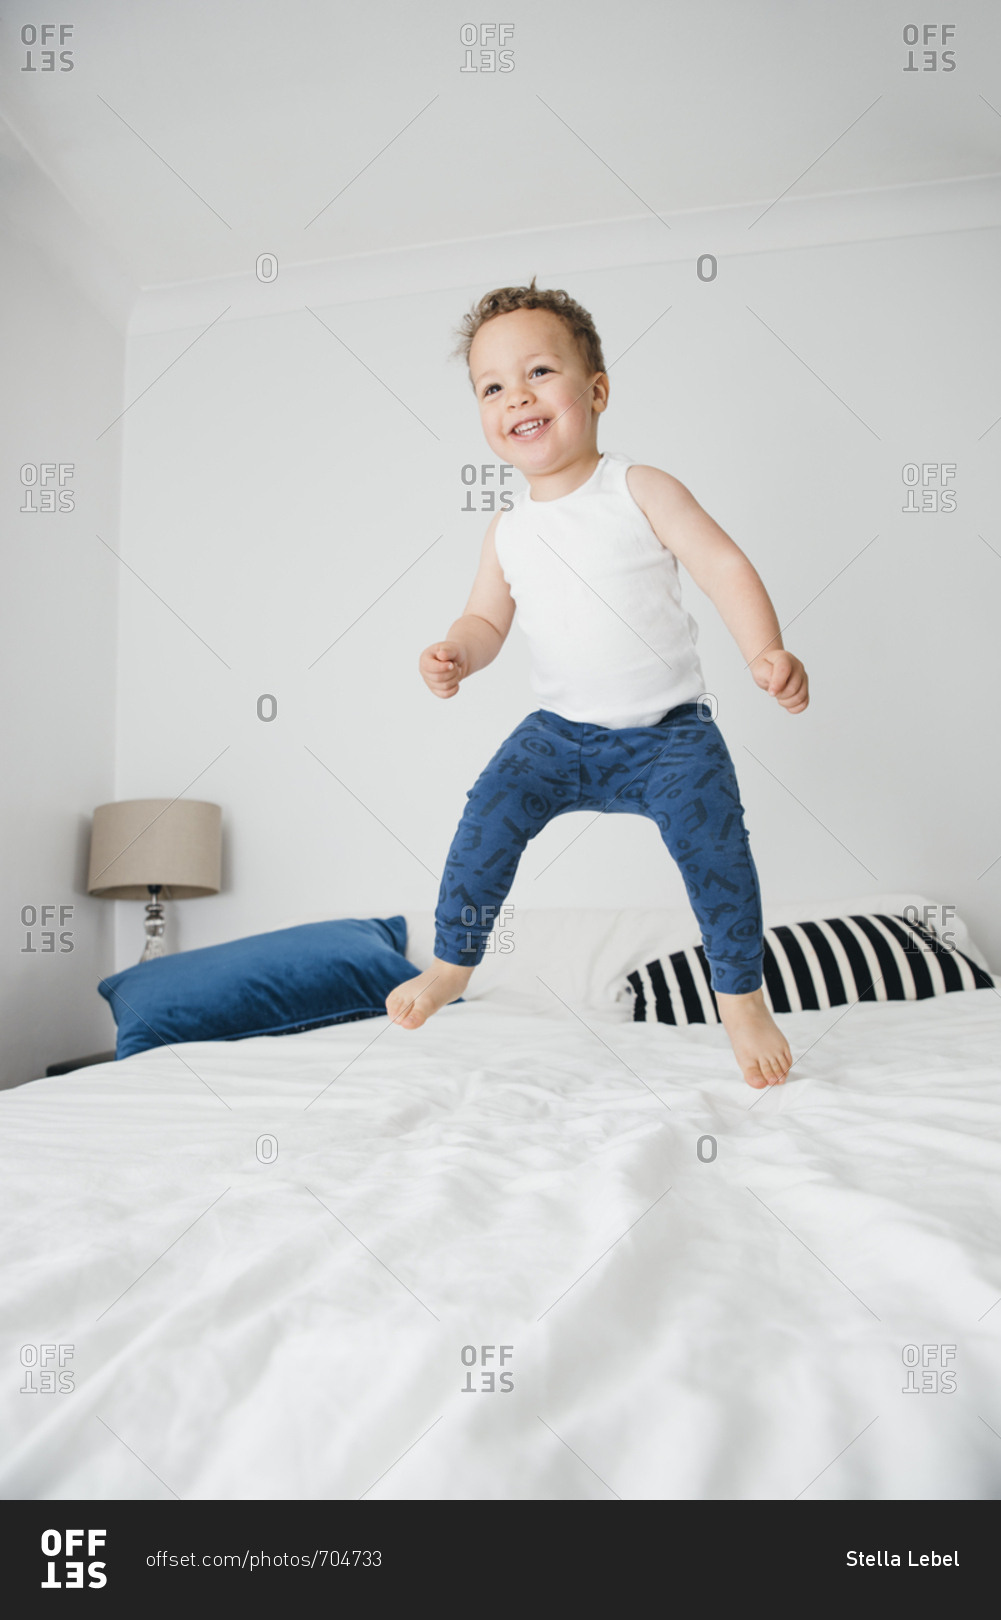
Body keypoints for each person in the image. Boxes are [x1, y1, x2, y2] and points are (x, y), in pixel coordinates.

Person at [386, 280, 809, 1087]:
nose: (518, 396)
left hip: (669, 735)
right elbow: (485, 622)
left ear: (596, 390)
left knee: (718, 848)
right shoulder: (507, 529)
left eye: (539, 371)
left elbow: (722, 566)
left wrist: (766, 651)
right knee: (488, 812)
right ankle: (451, 962)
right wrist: (455, 654)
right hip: (560, 733)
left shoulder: (638, 488)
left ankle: (741, 995)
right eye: (492, 387)